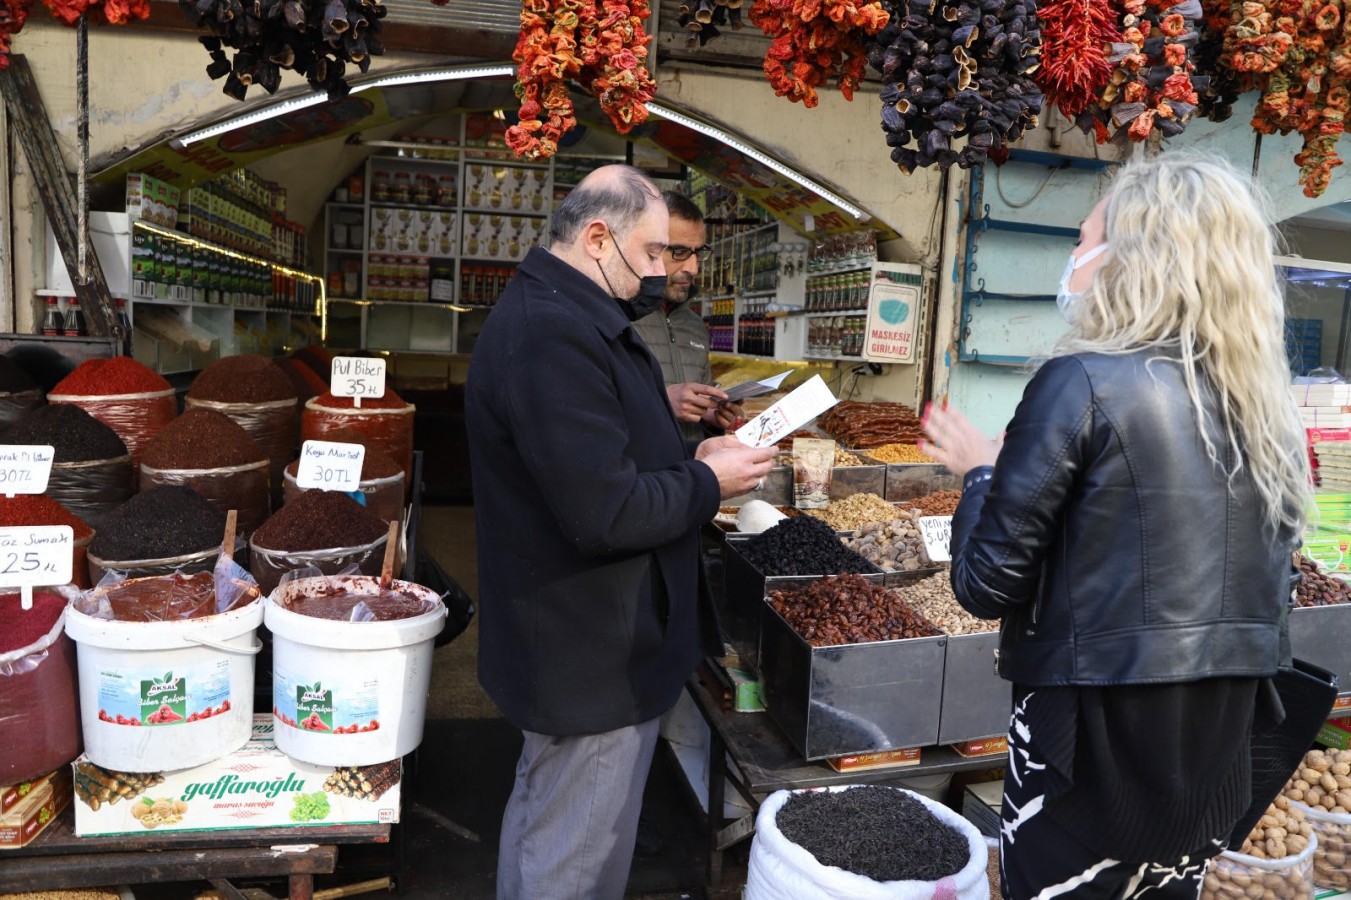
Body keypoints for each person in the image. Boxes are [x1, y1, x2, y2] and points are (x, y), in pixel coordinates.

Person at [919, 154, 1310, 898]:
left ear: (1133, 256)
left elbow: (982, 583)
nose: (1072, 258)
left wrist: (979, 472)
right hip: (1217, 737)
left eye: (1080, 240)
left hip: (1091, 738)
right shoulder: (1268, 411)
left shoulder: (1082, 380)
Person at [465, 164, 776, 900]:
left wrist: (691, 455)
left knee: (549, 820)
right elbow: (603, 513)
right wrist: (708, 483)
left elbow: (603, 456)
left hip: (580, 639)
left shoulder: (569, 315)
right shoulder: (554, 334)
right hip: (590, 649)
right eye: (652, 253)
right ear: (597, 237)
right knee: (575, 854)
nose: (660, 272)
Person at [630, 191, 741, 443]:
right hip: (637, 477)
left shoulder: (694, 326)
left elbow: (696, 418)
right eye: (679, 252)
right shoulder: (614, 316)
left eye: (698, 253)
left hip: (688, 475)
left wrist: (710, 416)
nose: (693, 268)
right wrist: (662, 402)